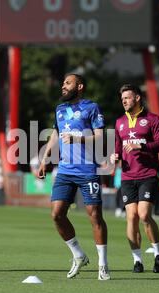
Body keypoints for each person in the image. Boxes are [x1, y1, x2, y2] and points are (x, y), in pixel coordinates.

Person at [37, 74, 110, 280]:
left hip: (87, 170)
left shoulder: (92, 107)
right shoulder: (59, 109)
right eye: (62, 83)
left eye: (67, 83)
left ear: (79, 86)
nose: (63, 86)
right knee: (57, 214)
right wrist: (45, 159)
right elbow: (55, 134)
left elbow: (99, 136)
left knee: (95, 216)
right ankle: (78, 254)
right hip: (65, 171)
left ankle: (103, 264)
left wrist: (77, 137)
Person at [110, 84, 159, 273]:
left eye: (127, 97)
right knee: (131, 217)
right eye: (122, 98)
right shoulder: (119, 122)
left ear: (137, 98)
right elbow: (118, 145)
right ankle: (137, 260)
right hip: (127, 176)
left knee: (144, 215)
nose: (124, 101)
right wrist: (115, 156)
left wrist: (140, 146)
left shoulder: (152, 119)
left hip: (148, 174)